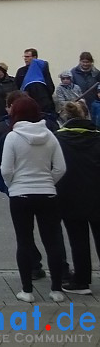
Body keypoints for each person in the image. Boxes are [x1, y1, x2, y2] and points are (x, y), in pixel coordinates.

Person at [1, 95, 67, 303]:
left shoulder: (12, 137)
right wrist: (49, 181)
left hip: (20, 193)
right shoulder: (49, 135)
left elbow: (6, 169)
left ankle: (27, 290)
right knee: (53, 241)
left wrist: (13, 185)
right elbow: (61, 168)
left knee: (24, 240)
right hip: (47, 193)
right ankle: (56, 289)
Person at [0, 89, 47, 280]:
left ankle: (34, 269)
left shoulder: (7, 131)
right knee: (46, 232)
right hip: (41, 187)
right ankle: (42, 266)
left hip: (21, 189)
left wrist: (7, 185)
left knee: (27, 232)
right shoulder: (44, 129)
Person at [54, 100, 100, 294]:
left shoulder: (58, 139)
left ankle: (81, 280)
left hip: (69, 194)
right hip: (97, 194)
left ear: (64, 118)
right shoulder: (97, 137)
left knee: (77, 239)